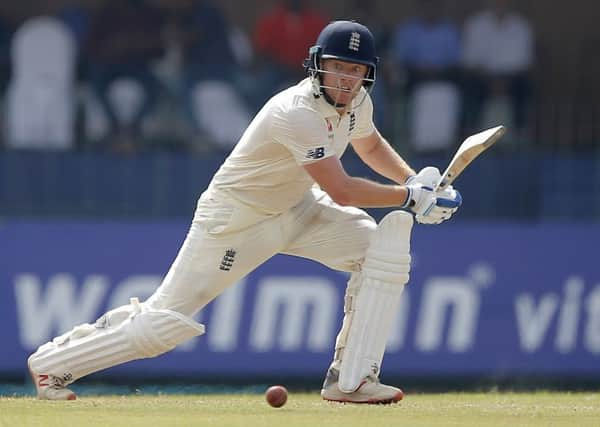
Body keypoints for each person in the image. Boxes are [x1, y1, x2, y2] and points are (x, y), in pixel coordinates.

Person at [27, 21, 462, 404]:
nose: (346, 79)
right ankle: (53, 363)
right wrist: (408, 197)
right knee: (162, 326)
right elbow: (343, 189)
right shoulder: (297, 113)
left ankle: (351, 381)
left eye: (356, 70)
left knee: (378, 250)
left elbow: (368, 144)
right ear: (317, 65)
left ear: (368, 74)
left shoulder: (357, 103)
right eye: (338, 67)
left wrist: (417, 182)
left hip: (299, 208)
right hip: (236, 220)